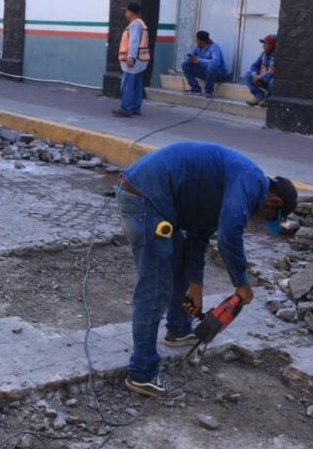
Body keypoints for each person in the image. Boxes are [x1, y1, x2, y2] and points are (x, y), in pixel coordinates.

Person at [116, 142, 297, 400]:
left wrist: (196, 287)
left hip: (155, 200)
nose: (258, 218)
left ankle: (178, 329)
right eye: (268, 216)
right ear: (274, 200)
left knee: (178, 260)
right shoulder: (251, 181)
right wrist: (242, 284)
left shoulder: (235, 184)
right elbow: (228, 235)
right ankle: (141, 374)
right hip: (145, 200)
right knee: (154, 287)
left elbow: (200, 234)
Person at [113, 2, 150, 117]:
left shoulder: (134, 24)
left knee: (128, 85)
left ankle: (126, 108)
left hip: (133, 60)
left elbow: (133, 42)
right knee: (137, 85)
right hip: (141, 60)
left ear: (130, 12)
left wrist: (130, 57)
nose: (125, 13)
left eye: (126, 11)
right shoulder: (141, 23)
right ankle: (135, 107)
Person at [181, 30, 228, 98]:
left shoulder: (214, 47)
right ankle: (195, 89)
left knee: (211, 66)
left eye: (197, 40)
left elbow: (216, 62)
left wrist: (198, 60)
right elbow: (189, 55)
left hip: (219, 74)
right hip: (205, 73)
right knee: (184, 64)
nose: (196, 42)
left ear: (202, 42)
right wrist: (189, 59)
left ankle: (209, 92)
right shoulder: (197, 47)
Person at [246, 34, 276, 107]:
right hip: (263, 79)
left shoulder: (277, 56)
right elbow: (254, 65)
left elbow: (273, 73)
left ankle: (269, 100)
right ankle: (259, 96)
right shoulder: (263, 54)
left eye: (265, 44)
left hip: (270, 81)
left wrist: (261, 76)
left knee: (274, 81)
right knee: (248, 75)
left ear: (271, 46)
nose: (263, 46)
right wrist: (254, 74)